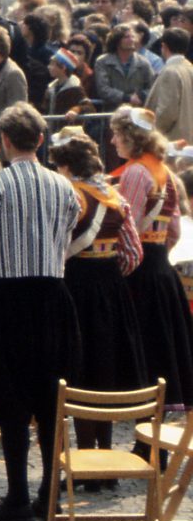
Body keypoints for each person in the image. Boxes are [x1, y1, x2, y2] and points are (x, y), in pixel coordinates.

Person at [0, 103, 84, 521]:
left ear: (4, 143)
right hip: (51, 296)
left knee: (9, 397)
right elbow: (65, 237)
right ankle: (50, 492)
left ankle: (17, 496)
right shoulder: (65, 188)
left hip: (8, 298)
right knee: (50, 397)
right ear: (42, 141)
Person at [49, 126, 148, 465]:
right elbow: (133, 255)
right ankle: (104, 460)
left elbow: (57, 246)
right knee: (103, 374)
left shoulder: (71, 196)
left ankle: (83, 460)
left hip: (77, 289)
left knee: (78, 372)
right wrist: (108, 277)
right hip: (111, 291)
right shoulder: (115, 198)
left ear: (65, 166)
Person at [111, 105, 193, 412]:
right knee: (164, 346)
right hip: (161, 268)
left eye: (117, 134)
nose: (113, 141)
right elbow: (172, 229)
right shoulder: (167, 173)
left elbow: (126, 227)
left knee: (141, 349)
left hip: (139, 270)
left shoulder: (134, 172)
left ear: (131, 137)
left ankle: (140, 412)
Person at [147, 29, 193, 141]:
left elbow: (166, 112)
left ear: (164, 46)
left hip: (171, 141)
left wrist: (151, 135)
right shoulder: (190, 68)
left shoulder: (170, 72)